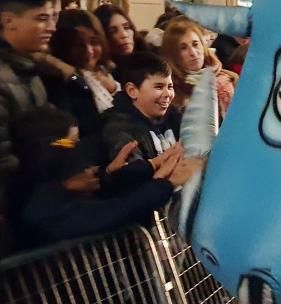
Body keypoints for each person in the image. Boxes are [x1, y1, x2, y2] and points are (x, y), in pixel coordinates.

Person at [12, 106, 198, 247]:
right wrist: (167, 183)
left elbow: (106, 193)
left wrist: (148, 168)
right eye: (72, 144)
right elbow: (113, 211)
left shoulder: (54, 189)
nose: (79, 152)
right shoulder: (38, 207)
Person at [0, 0, 56, 255]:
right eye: (41, 18)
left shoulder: (29, 71)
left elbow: (47, 140)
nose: (51, 27)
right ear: (8, 20)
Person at [38, 9, 120, 139]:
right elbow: (63, 142)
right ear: (62, 45)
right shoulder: (60, 84)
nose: (89, 51)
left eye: (94, 42)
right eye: (78, 45)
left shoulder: (107, 74)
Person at [101, 52, 182, 168]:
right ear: (132, 91)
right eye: (159, 87)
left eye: (170, 86)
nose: (168, 94)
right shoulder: (118, 128)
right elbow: (134, 174)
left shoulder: (175, 116)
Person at [161, 16, 238, 116]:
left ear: (203, 46)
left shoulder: (223, 81)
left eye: (195, 44)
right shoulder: (167, 87)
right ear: (173, 54)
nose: (193, 52)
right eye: (183, 48)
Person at [94, 5, 145, 74]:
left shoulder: (150, 63)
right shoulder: (102, 75)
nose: (124, 35)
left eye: (126, 27)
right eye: (112, 31)